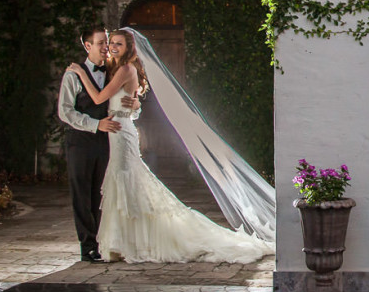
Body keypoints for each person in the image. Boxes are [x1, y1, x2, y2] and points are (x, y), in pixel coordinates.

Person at [66, 30, 273, 264]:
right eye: (110, 43)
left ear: (129, 48)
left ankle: (131, 241)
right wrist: (133, 105)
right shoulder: (118, 70)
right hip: (117, 132)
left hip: (120, 133)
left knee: (125, 181)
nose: (112, 47)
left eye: (118, 44)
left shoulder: (125, 69)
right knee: (126, 184)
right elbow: (124, 104)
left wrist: (81, 73)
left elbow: (100, 99)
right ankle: (123, 241)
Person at [56, 26, 138, 263]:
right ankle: (88, 247)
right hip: (80, 142)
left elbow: (122, 100)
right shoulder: (73, 74)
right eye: (101, 43)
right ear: (87, 46)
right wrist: (95, 125)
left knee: (102, 194)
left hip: (108, 142)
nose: (106, 47)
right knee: (81, 195)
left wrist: (135, 105)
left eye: (108, 42)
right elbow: (65, 112)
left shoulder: (114, 70)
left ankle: (104, 241)